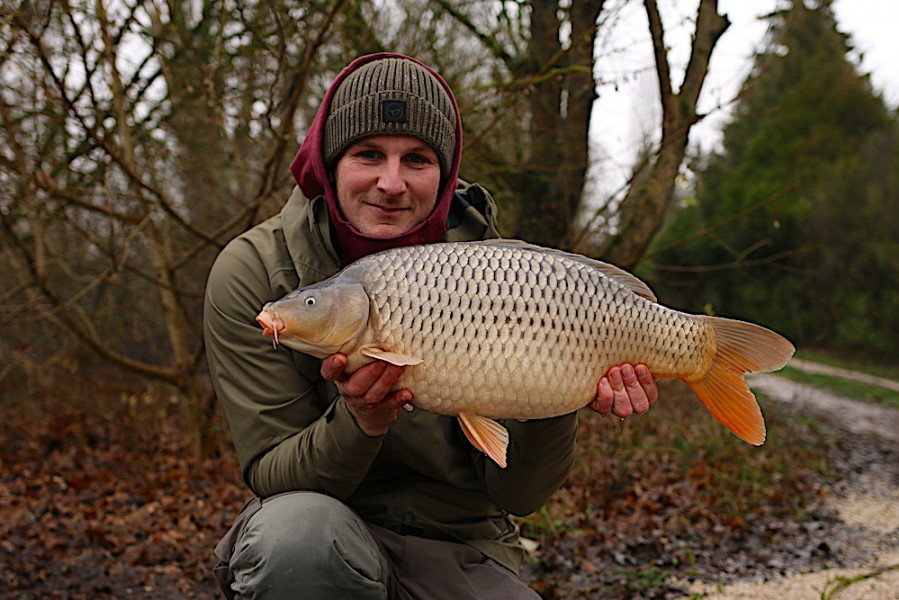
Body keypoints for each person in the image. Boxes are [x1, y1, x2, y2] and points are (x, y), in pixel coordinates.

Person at [203, 53, 659, 600]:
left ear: (445, 175)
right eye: (368, 154)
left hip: (464, 547)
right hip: (318, 541)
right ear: (329, 161)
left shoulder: (496, 273)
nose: (390, 183)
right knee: (296, 542)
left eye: (416, 159)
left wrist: (561, 393)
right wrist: (360, 421)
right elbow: (273, 479)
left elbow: (518, 494)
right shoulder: (254, 271)